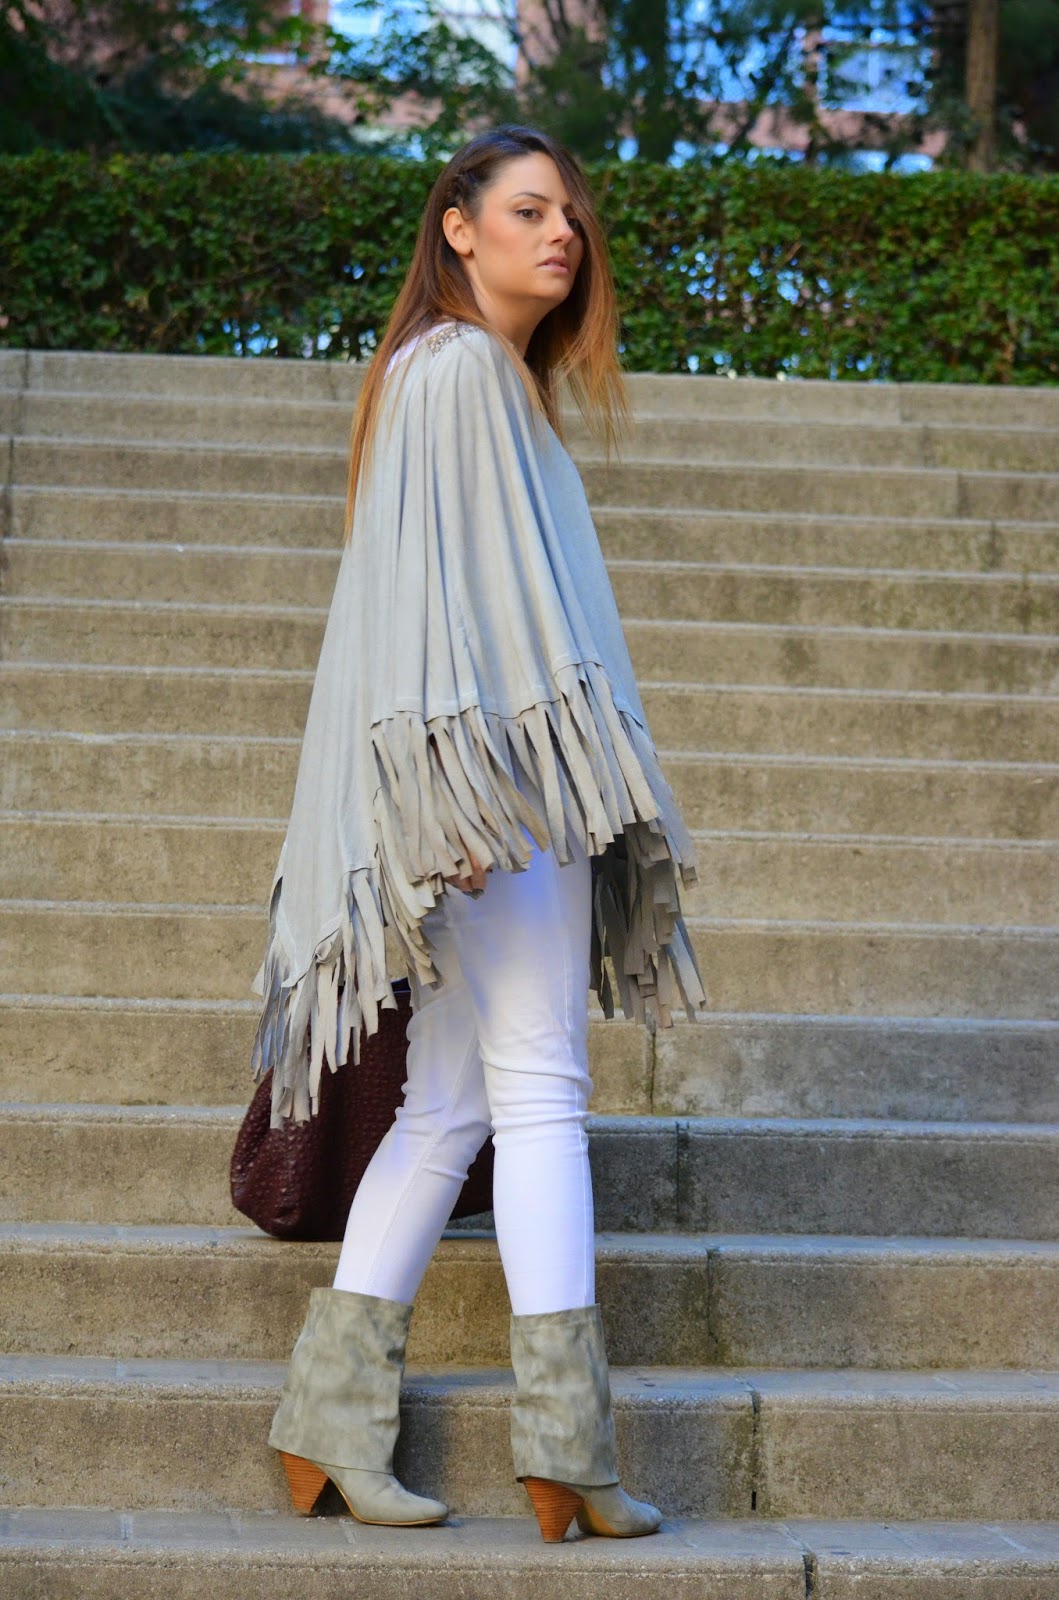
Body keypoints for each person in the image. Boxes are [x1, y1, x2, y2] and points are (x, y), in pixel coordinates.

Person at [256, 123, 707, 1544]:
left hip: (494, 780)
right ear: (457, 225)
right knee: (540, 1089)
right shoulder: (453, 369)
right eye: (527, 210)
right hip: (497, 788)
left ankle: (327, 1426)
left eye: (572, 215)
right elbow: (426, 600)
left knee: (449, 1105)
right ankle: (568, 1450)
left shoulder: (482, 381)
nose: (561, 233)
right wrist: (448, 797)